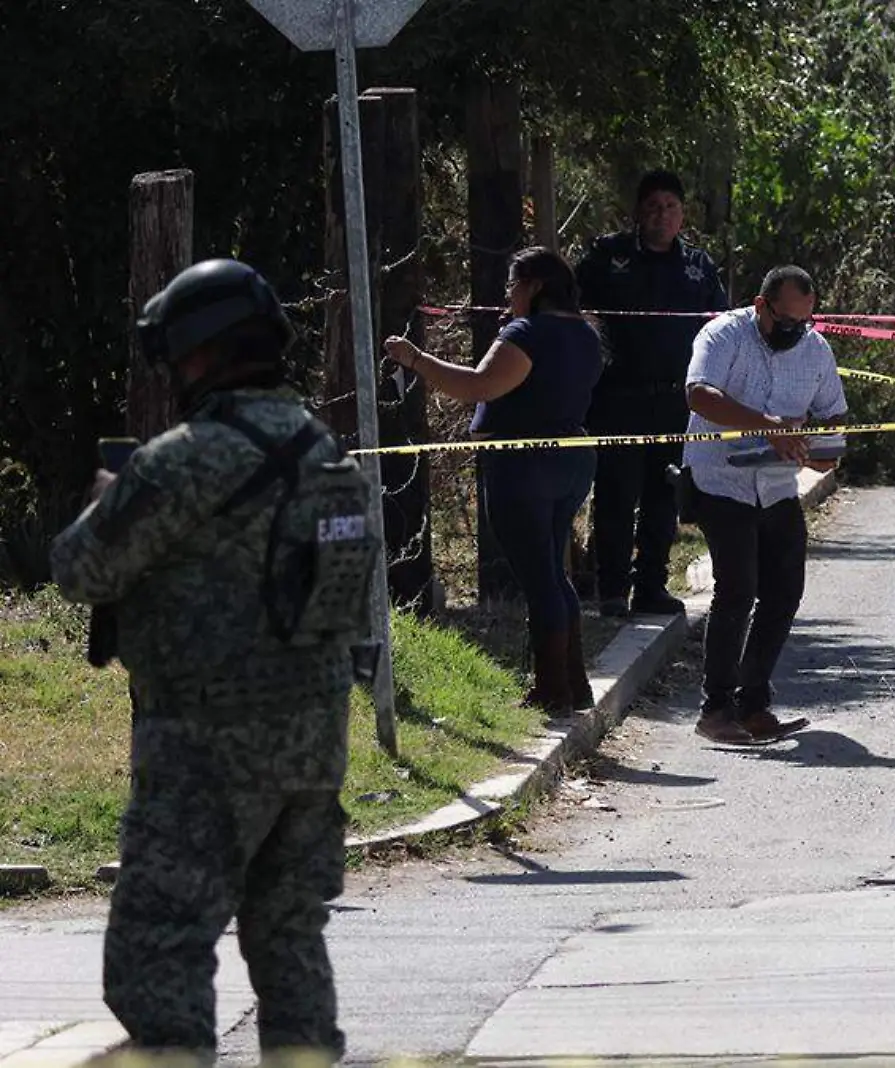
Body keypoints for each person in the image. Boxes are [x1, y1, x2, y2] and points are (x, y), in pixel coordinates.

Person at [50, 259, 378, 1063]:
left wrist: (102, 502)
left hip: (207, 748)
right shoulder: (319, 447)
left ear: (201, 353)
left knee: (157, 955)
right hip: (314, 744)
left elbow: (79, 569)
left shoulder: (184, 458)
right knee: (290, 945)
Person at [386, 247, 602, 713]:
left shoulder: (527, 332)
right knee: (551, 568)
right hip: (570, 460)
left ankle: (552, 690)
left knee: (538, 575)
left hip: (523, 464)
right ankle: (574, 681)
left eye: (513, 285)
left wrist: (416, 359)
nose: (508, 295)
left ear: (535, 286)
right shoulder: (584, 334)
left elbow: (480, 386)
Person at [684, 266, 847, 745]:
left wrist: (821, 451)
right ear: (761, 305)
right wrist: (766, 425)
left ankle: (752, 703)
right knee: (737, 590)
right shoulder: (723, 335)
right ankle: (714, 710)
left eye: (805, 322)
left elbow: (833, 417)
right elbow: (700, 395)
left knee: (783, 592)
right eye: (787, 322)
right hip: (720, 481)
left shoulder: (815, 350)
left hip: (777, 488)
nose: (797, 332)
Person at [577, 169, 729, 618]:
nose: (662, 216)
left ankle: (651, 587)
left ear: (682, 215)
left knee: (664, 496)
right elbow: (573, 309)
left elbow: (720, 326)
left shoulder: (698, 267)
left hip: (674, 402)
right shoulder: (608, 258)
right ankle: (611, 591)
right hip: (618, 398)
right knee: (615, 496)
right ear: (638, 214)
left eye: (671, 208)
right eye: (653, 207)